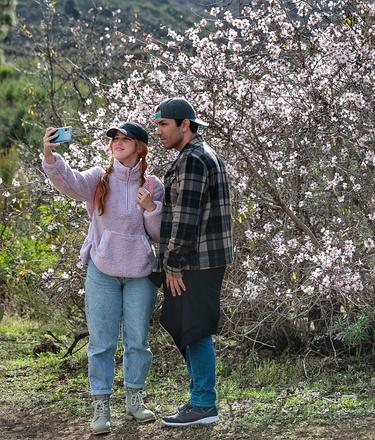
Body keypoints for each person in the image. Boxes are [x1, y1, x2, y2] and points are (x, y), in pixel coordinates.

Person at [42, 122, 164, 435]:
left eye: (125, 139)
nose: (118, 143)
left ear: (140, 146)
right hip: (102, 271)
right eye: (114, 139)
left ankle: (135, 399)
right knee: (101, 343)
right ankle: (101, 406)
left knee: (138, 341)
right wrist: (50, 154)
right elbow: (70, 183)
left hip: (140, 272)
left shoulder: (152, 183)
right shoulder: (100, 177)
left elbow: (159, 234)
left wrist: (151, 208)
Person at [151, 97, 233, 427]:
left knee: (194, 329)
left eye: (163, 125)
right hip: (198, 260)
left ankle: (203, 403)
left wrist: (173, 264)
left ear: (185, 125)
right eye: (157, 125)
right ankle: (201, 399)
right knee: (180, 323)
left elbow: (186, 217)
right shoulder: (197, 155)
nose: (158, 131)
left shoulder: (194, 159)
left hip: (195, 262)